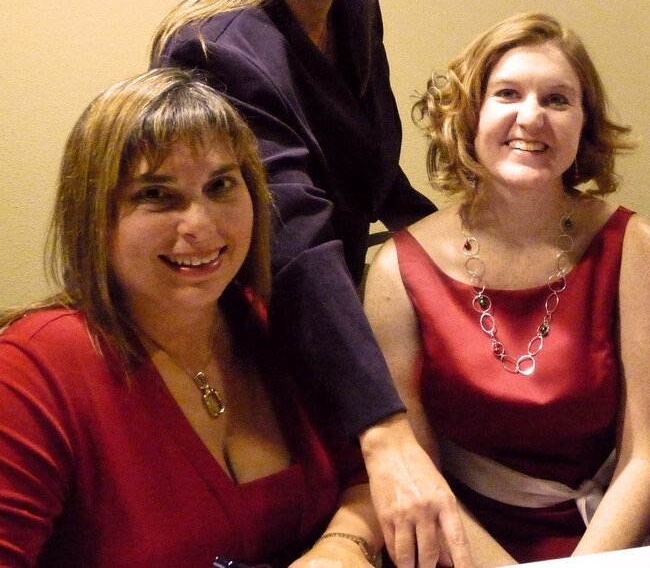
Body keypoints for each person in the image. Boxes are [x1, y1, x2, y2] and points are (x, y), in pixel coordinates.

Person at [149, 0, 469, 566]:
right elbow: (294, 242)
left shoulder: (353, 3)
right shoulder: (216, 52)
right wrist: (383, 434)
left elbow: (369, 169)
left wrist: (475, 243)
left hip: (338, 316)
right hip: (257, 334)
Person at [0, 69, 384, 567]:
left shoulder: (276, 321)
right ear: (93, 215)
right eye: (157, 195)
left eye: (221, 185)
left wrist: (342, 548)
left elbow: (373, 470)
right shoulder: (31, 375)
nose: (201, 226)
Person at [363, 12, 650, 565]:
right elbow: (417, 478)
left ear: (585, 124)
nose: (531, 117)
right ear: (470, 115)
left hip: (609, 544)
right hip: (461, 549)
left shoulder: (633, 246)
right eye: (507, 94)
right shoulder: (397, 270)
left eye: (557, 100)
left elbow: (647, 460)